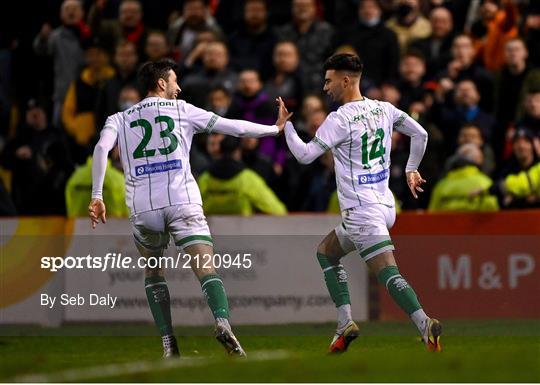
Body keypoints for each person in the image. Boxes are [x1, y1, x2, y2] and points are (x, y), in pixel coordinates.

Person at [88, 59, 291, 358]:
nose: (179, 87)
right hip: (182, 199)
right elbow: (232, 127)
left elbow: (102, 148)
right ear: (161, 84)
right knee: (205, 267)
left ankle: (169, 343)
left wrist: (97, 194)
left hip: (143, 207)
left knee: (154, 272)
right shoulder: (183, 110)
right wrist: (274, 129)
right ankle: (222, 322)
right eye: (174, 81)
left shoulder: (118, 118)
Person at [281, 54, 441, 353]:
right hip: (385, 204)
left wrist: (285, 127)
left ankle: (425, 323)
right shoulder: (384, 109)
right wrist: (411, 168)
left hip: (361, 209)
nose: (325, 87)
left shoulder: (338, 119)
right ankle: (345, 324)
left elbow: (304, 156)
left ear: (345, 80)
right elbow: (420, 133)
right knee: (326, 253)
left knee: (387, 272)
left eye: (329, 80)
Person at [197, 136, 287, 215]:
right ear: (238, 151)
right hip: (242, 231)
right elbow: (278, 210)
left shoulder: (205, 178)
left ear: (220, 150)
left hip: (211, 231)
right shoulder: (247, 178)